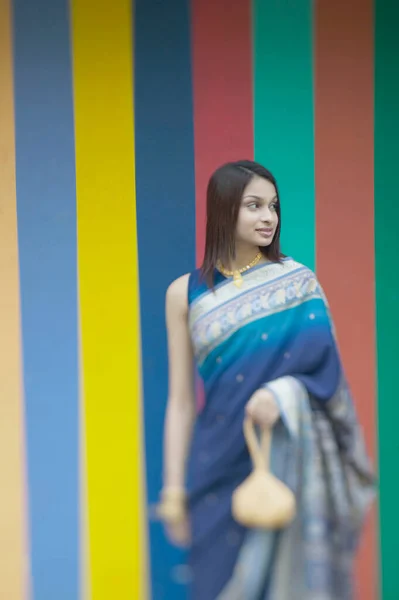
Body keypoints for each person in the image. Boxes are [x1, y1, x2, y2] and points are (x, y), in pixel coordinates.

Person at [158, 160, 375, 599]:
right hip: (216, 467)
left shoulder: (298, 284)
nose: (268, 217)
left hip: (285, 462)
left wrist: (285, 394)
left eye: (273, 206)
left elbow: (328, 377)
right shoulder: (184, 294)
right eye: (253, 206)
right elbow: (181, 401)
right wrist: (174, 489)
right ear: (222, 210)